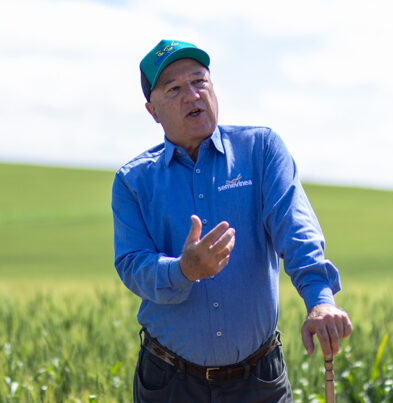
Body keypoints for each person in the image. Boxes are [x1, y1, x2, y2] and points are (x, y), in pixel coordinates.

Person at [111, 39, 353, 402]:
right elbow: (131, 264)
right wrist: (182, 271)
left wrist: (320, 298)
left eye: (199, 81)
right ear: (152, 110)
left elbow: (296, 229)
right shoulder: (133, 181)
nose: (192, 95)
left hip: (258, 382)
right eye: (174, 89)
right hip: (170, 381)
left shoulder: (261, 150)